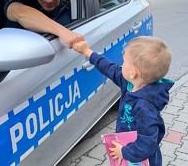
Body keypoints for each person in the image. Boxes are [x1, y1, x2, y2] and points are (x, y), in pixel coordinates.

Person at [73, 36, 174, 166]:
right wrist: (87, 52)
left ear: (133, 72)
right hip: (129, 149)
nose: (121, 65)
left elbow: (147, 144)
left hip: (142, 159)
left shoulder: (145, 108)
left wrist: (124, 151)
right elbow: (109, 68)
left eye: (124, 61)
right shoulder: (130, 84)